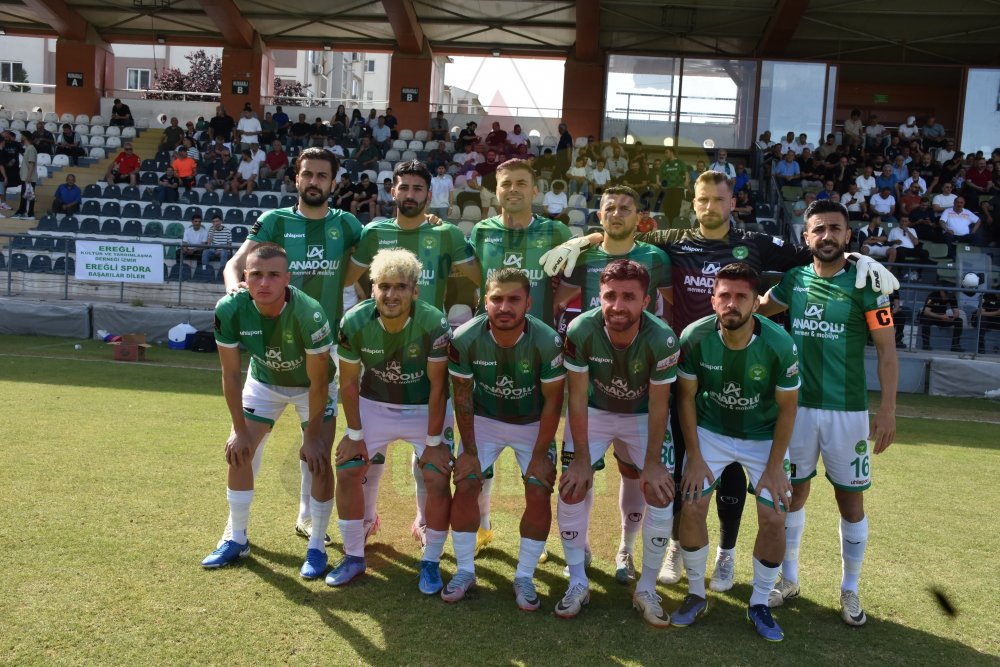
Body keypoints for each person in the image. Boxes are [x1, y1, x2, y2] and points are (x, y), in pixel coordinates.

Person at [540, 172, 898, 592]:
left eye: (718, 199)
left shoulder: (756, 242)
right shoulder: (673, 240)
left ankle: (726, 554)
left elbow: (815, 252)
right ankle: (676, 546)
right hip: (682, 368)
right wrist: (586, 239)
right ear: (693, 204)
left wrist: (859, 258)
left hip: (746, 374)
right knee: (683, 467)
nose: (710, 206)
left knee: (733, 477)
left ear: (733, 203)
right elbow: (622, 233)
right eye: (703, 199)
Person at [759, 198, 898, 627]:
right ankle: (789, 579)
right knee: (792, 494)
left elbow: (887, 351)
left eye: (835, 228)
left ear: (848, 235)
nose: (827, 236)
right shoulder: (793, 280)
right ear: (806, 237)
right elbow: (757, 309)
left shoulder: (867, 285)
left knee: (850, 500)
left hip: (847, 412)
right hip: (796, 410)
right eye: (818, 229)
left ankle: (850, 588)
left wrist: (887, 410)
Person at [225, 148, 363, 545]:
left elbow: (381, 244)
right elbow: (235, 264)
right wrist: (235, 290)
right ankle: (234, 531)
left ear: (333, 182)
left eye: (322, 176)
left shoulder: (347, 224)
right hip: (270, 352)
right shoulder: (275, 221)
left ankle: (308, 517)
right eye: (308, 174)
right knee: (245, 445)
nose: (314, 182)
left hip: (322, 352)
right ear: (296, 178)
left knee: (315, 444)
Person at [343, 161, 479, 543]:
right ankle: (367, 521)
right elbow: (344, 277)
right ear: (393, 191)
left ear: (429, 194)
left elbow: (481, 276)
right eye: (404, 187)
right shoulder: (374, 232)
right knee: (372, 453)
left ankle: (423, 522)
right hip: (379, 352)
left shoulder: (446, 233)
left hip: (428, 351)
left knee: (429, 458)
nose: (410, 195)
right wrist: (363, 305)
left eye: (418, 189)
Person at [673, 262, 799, 641]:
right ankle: (696, 594)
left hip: (763, 437)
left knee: (774, 516)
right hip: (710, 432)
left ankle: (759, 602)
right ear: (713, 301)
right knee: (692, 504)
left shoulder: (780, 344)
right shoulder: (694, 337)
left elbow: (788, 409)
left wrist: (774, 466)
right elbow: (686, 398)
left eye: (741, 296)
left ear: (756, 304)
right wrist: (695, 456)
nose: (732, 303)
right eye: (724, 295)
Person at [553, 186, 671, 583]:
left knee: (638, 475)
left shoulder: (655, 257)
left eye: (625, 208)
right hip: (595, 388)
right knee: (574, 477)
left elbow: (670, 307)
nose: (617, 214)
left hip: (641, 387)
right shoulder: (583, 256)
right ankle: (579, 554)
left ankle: (626, 549)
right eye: (609, 208)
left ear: (639, 216)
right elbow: (558, 300)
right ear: (599, 215)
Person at [555, 259, 679, 625]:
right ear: (599, 297)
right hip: (595, 411)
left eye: (629, 297)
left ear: (646, 301)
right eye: (610, 296)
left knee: (659, 491)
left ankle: (645, 584)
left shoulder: (662, 338)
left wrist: (653, 463)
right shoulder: (581, 329)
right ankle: (577, 581)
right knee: (572, 486)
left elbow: (659, 405)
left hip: (641, 415)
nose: (618, 305)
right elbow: (577, 398)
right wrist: (580, 459)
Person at [201, 243, 337, 577]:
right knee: (240, 452)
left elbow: (319, 384)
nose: (264, 283)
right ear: (245, 276)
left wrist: (313, 438)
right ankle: (237, 538)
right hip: (264, 381)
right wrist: (239, 431)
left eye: (274, 275)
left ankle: (316, 547)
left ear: (287, 278)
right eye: (257, 275)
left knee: (319, 458)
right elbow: (230, 375)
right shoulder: (230, 309)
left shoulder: (309, 313)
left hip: (310, 387)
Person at [329, 248, 454, 589]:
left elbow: (438, 387)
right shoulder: (354, 321)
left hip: (423, 406)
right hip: (375, 404)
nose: (391, 294)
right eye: (384, 286)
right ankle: (354, 556)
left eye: (400, 287)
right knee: (348, 468)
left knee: (437, 475)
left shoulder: (433, 322)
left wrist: (433, 443)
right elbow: (349, 383)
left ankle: (431, 561)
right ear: (373, 289)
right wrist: (354, 433)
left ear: (415, 291)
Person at [446, 267, 565, 608]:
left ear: (528, 303)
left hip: (532, 422)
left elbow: (553, 402)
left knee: (539, 489)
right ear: (485, 301)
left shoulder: (547, 340)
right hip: (485, 420)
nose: (504, 307)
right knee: (466, 482)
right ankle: (464, 571)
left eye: (514, 299)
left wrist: (540, 456)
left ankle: (524, 576)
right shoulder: (464, 337)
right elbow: (462, 398)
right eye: (497, 299)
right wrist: (469, 452)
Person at [12, 132, 37, 220]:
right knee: (24, 195)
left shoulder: (31, 148)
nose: (21, 137)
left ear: (25, 137)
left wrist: (29, 176)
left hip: (28, 177)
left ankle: (29, 214)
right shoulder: (28, 148)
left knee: (29, 195)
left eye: (22, 135)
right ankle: (22, 211)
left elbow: (31, 163)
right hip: (25, 177)